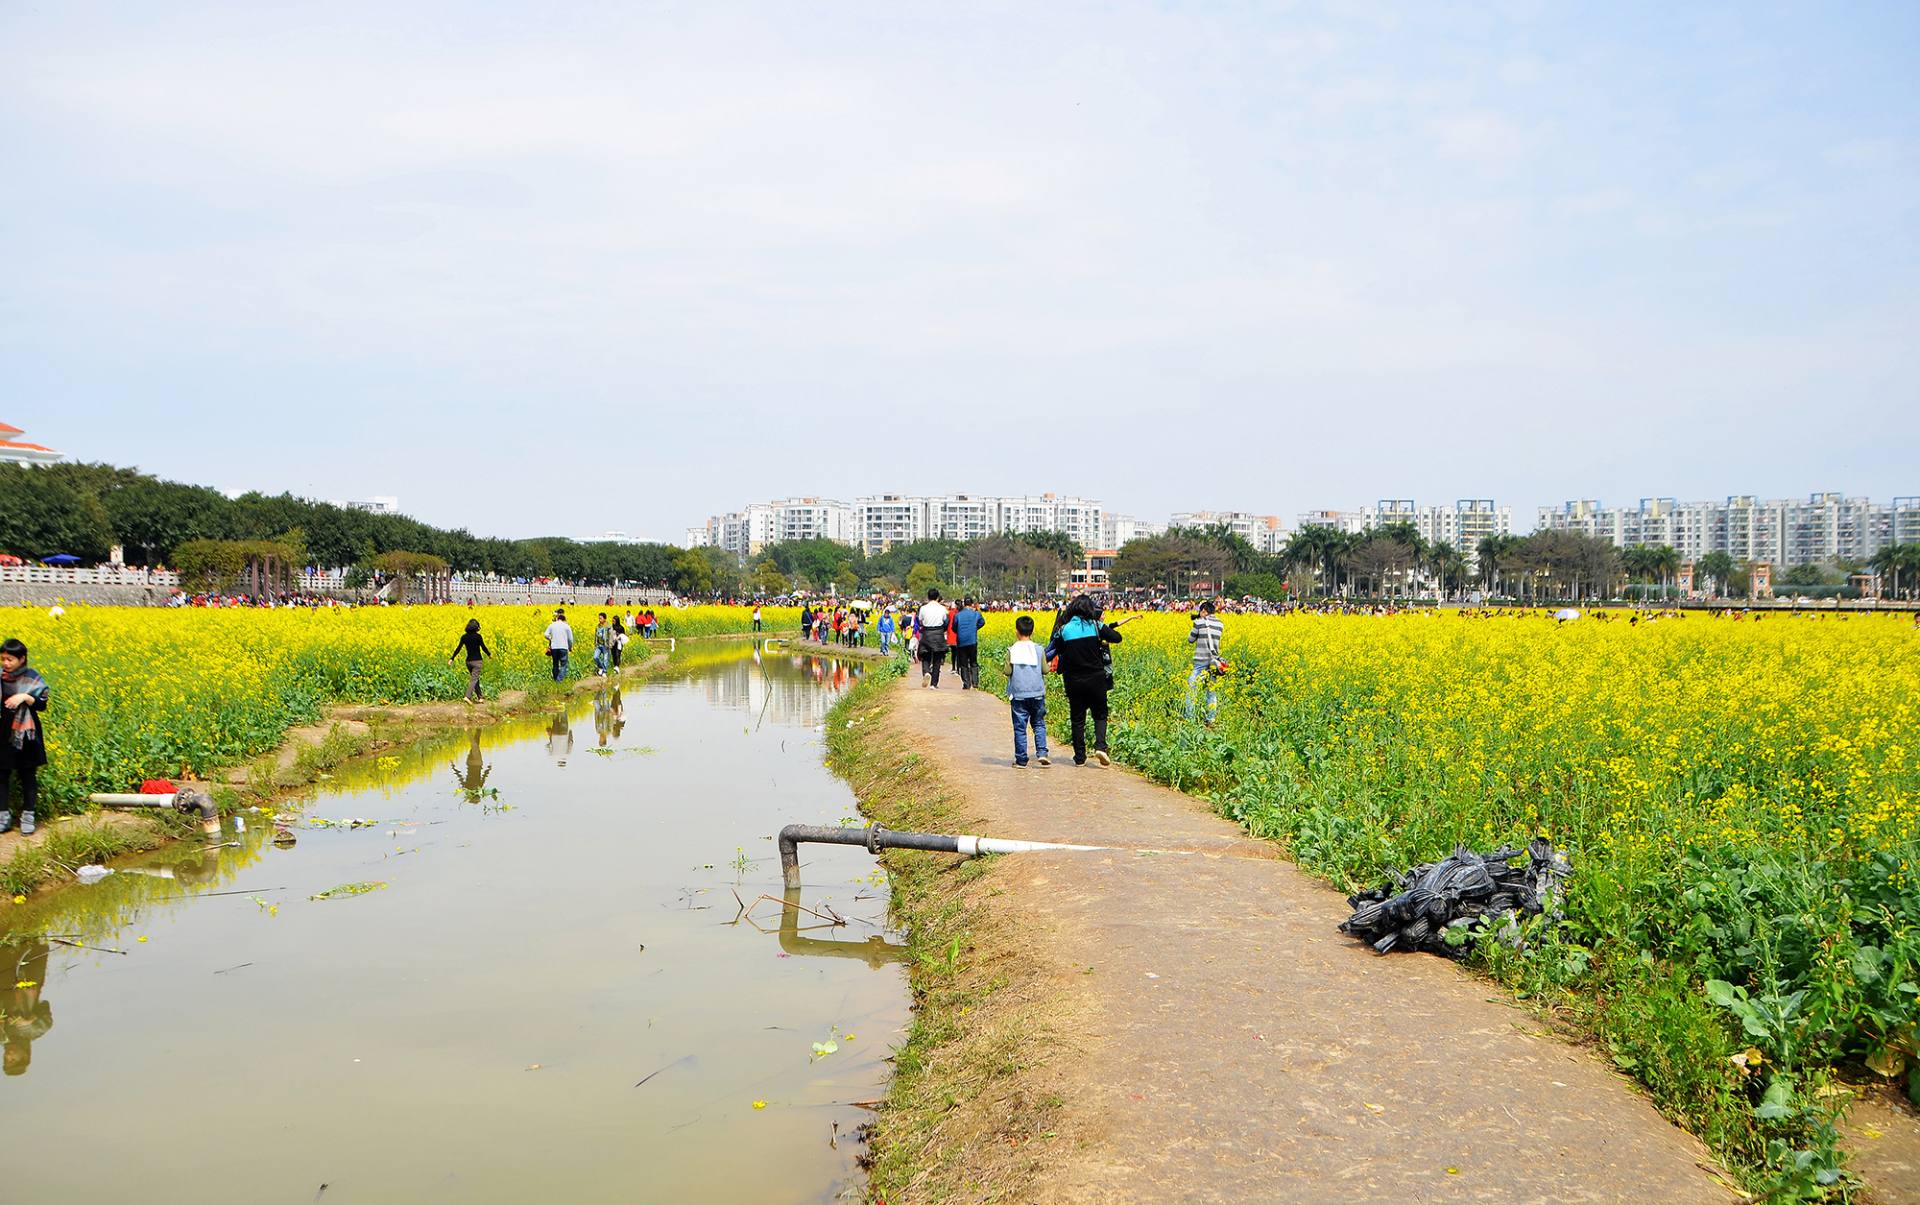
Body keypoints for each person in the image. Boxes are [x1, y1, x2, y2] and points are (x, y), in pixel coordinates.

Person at [1046, 595, 1122, 766]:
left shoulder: (1065, 629)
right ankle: (1101, 747)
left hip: (1074, 680)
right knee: (1100, 714)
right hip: (1096, 678)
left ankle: (1080, 757)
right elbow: (1117, 638)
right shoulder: (1096, 626)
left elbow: (1056, 648)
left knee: (1077, 718)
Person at [0, 638, 50, 834]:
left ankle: (28, 816)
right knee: (2, 774)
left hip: (26, 732)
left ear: (22, 659)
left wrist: (25, 697)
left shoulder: (32, 677)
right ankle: (3, 816)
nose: (5, 663)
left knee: (27, 774)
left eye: (10, 659)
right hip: (3, 731)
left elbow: (42, 704)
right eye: (3, 659)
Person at [1003, 615, 1051, 767]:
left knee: (1020, 727)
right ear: (1032, 631)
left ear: (1017, 631)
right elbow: (1045, 670)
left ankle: (1022, 760)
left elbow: (1007, 671)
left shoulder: (1012, 649)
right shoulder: (1039, 649)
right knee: (1039, 724)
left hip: (1019, 695)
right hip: (1037, 693)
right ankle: (1042, 753)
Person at [1186, 600, 1224, 725]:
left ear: (1203, 611)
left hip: (1200, 662)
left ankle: (1189, 718)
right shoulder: (1220, 624)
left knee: (1192, 689)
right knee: (1211, 691)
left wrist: (1196, 623)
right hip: (1214, 662)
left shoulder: (1199, 623)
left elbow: (1190, 639)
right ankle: (1211, 719)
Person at [448, 618, 491, 705]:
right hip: (477, 661)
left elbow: (458, 648)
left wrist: (452, 658)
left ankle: (480, 697)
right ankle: (467, 696)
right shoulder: (478, 637)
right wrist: (489, 654)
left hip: (468, 662)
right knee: (474, 679)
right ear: (476, 627)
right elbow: (483, 647)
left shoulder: (464, 637)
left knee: (475, 678)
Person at [916, 588, 950, 687]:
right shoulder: (942, 608)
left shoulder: (923, 608)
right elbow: (946, 621)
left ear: (928, 597)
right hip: (938, 633)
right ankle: (934, 684)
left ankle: (926, 672)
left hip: (927, 633)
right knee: (937, 659)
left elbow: (920, 620)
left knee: (925, 655)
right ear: (938, 597)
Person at [950, 596, 985, 689]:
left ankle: (966, 684)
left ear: (964, 604)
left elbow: (954, 627)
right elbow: (982, 622)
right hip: (972, 640)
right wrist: (975, 628)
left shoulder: (958, 615)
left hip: (961, 641)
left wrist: (960, 631)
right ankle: (975, 683)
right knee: (973, 662)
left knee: (963, 664)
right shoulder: (976, 614)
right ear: (972, 604)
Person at [544, 608, 574, 682]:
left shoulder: (552, 625)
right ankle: (558, 680)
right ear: (564, 619)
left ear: (557, 618)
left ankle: (555, 679)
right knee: (563, 665)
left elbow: (545, 634)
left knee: (555, 664)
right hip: (563, 647)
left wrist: (551, 639)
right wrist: (570, 647)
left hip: (554, 647)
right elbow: (570, 639)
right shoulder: (567, 626)